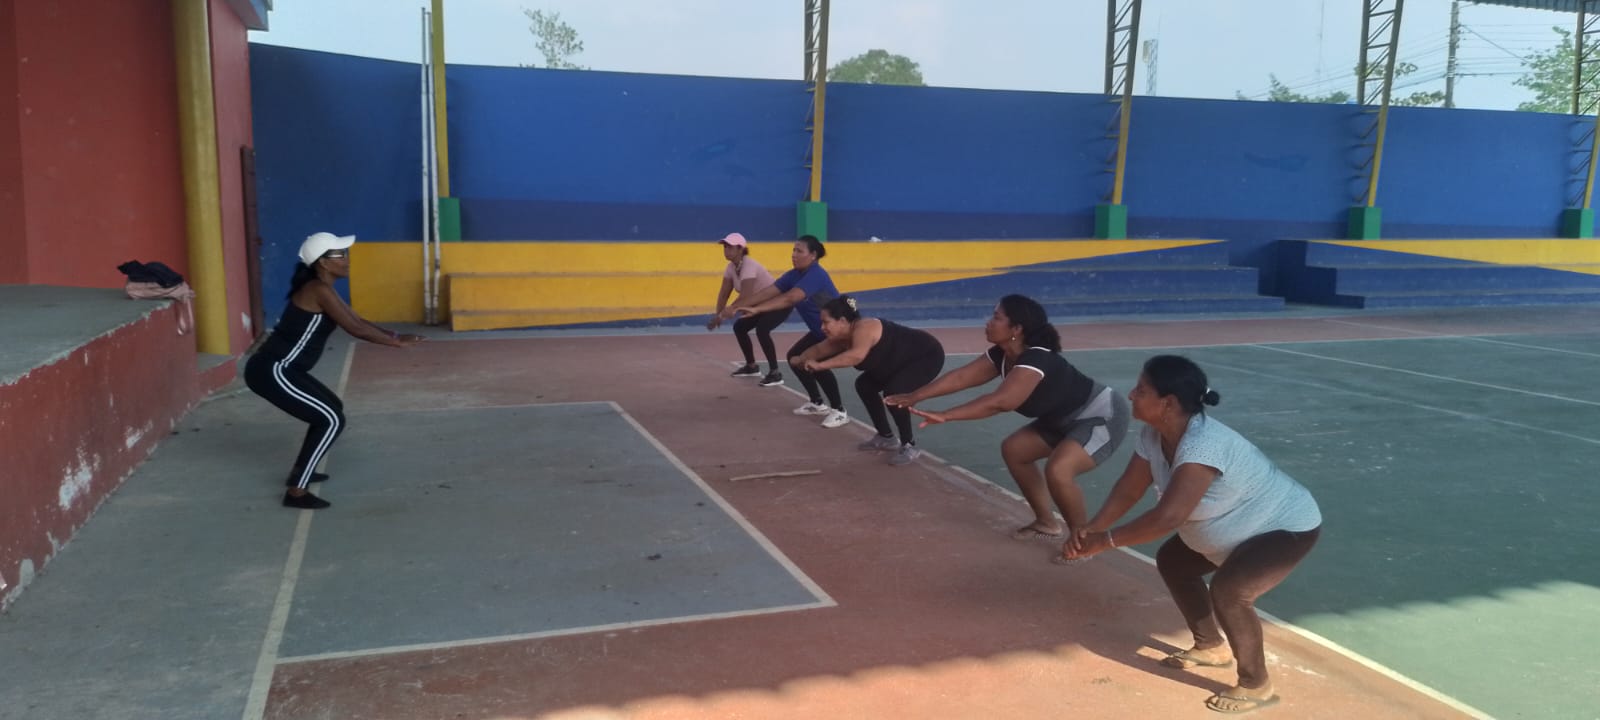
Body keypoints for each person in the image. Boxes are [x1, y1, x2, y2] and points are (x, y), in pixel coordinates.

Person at [1065, 355, 1322, 715]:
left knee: (1231, 592)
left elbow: (1169, 517)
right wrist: (1093, 528)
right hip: (1234, 527)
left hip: (1284, 527)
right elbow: (1129, 490)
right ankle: (1210, 646)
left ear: (1168, 403)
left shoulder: (1203, 444)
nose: (1132, 394)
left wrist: (1104, 542)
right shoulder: (1153, 434)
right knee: (1174, 562)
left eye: (1142, 390)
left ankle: (1256, 685)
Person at [885, 294, 1129, 550]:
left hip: (1099, 415)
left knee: (1059, 470)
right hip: (1058, 419)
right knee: (1015, 450)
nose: (988, 322)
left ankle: (1083, 542)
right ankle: (1046, 523)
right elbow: (961, 377)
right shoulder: (1002, 355)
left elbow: (1001, 402)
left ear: (1016, 329)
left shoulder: (1037, 358)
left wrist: (947, 415)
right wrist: (916, 395)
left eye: (997, 317)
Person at [245, 232, 424, 509]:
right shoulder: (318, 290)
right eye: (340, 255)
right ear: (324, 263)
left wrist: (394, 335)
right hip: (274, 370)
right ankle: (296, 491)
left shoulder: (323, 288)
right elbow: (355, 329)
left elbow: (355, 319)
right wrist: (396, 343)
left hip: (286, 369)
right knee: (331, 419)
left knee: (331, 408)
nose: (347, 259)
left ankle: (301, 470)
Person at [796, 295, 946, 465]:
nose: (822, 327)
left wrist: (820, 365)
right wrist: (799, 360)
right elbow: (816, 350)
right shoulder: (839, 340)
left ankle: (909, 445)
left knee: (894, 393)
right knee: (864, 385)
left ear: (842, 321)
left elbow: (855, 356)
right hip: (896, 362)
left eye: (826, 322)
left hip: (925, 356)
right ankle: (886, 437)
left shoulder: (865, 327)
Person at [727, 235, 847, 428]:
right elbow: (768, 292)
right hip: (819, 331)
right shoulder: (793, 275)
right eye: (793, 250)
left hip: (838, 333)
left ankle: (839, 411)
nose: (794, 254)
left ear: (813, 255)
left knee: (815, 364)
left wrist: (758, 309)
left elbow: (790, 298)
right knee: (794, 357)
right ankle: (817, 403)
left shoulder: (816, 274)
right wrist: (736, 307)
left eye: (799, 251)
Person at [705, 232, 789, 386]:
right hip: (758, 306)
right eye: (725, 247)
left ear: (740, 249)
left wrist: (727, 312)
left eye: (730, 247)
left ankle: (775, 373)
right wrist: (718, 315)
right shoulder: (731, 268)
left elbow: (745, 295)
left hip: (777, 304)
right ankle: (751, 366)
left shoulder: (749, 265)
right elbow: (724, 293)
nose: (726, 250)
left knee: (762, 330)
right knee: (740, 327)